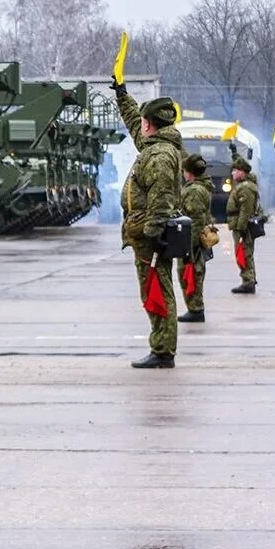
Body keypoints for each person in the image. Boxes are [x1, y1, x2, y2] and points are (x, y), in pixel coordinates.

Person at [111, 79, 184, 368]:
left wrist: (153, 233)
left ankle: (163, 350)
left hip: (150, 236)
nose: (139, 124)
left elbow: (162, 197)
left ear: (150, 123)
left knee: (158, 290)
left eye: (143, 120)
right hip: (144, 233)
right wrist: (121, 95)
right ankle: (161, 346)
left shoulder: (159, 155)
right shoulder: (157, 145)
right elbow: (133, 122)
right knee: (153, 289)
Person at [177, 153, 213, 322]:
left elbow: (195, 220)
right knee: (194, 273)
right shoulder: (201, 187)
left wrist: (188, 247)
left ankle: (196, 309)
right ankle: (195, 308)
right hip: (195, 240)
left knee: (191, 273)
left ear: (189, 173)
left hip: (192, 242)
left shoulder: (193, 191)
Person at [227, 154, 260, 293]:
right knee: (246, 252)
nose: (233, 173)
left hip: (242, 226)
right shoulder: (244, 185)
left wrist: (241, 228)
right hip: (240, 225)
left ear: (242, 172)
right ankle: (250, 279)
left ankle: (248, 281)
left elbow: (245, 211)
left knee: (244, 252)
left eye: (235, 170)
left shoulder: (245, 188)